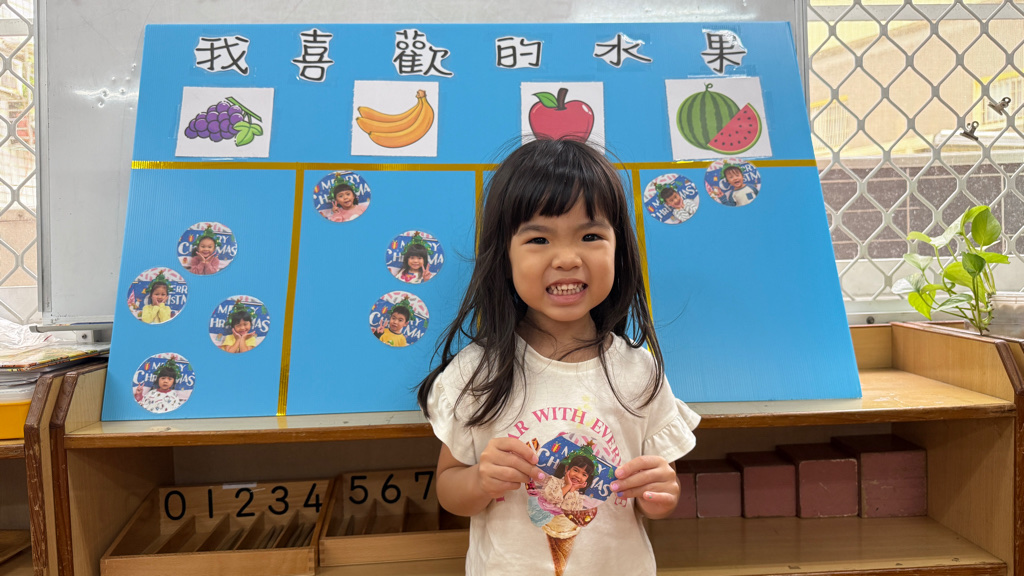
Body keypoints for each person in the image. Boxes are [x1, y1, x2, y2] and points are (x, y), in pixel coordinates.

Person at [416, 139, 700, 575]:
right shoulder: (475, 372)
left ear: (618, 248)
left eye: (590, 236)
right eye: (539, 238)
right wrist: (479, 480)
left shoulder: (639, 372)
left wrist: (662, 494)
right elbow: (450, 492)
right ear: (504, 256)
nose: (567, 258)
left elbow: (657, 494)